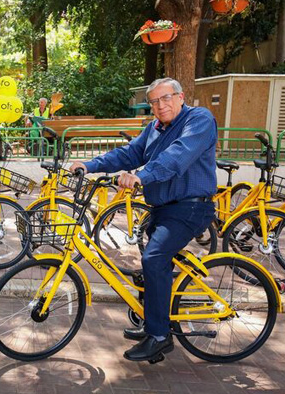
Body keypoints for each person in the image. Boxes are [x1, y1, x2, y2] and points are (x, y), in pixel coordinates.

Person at [70, 77, 217, 362]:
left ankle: (160, 337)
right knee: (149, 266)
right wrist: (88, 165)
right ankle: (153, 321)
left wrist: (141, 176)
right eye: (154, 102)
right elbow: (128, 154)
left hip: (190, 208)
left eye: (166, 98)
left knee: (154, 260)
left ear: (181, 97)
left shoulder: (198, 120)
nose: (161, 106)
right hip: (162, 209)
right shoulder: (154, 128)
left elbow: (177, 157)